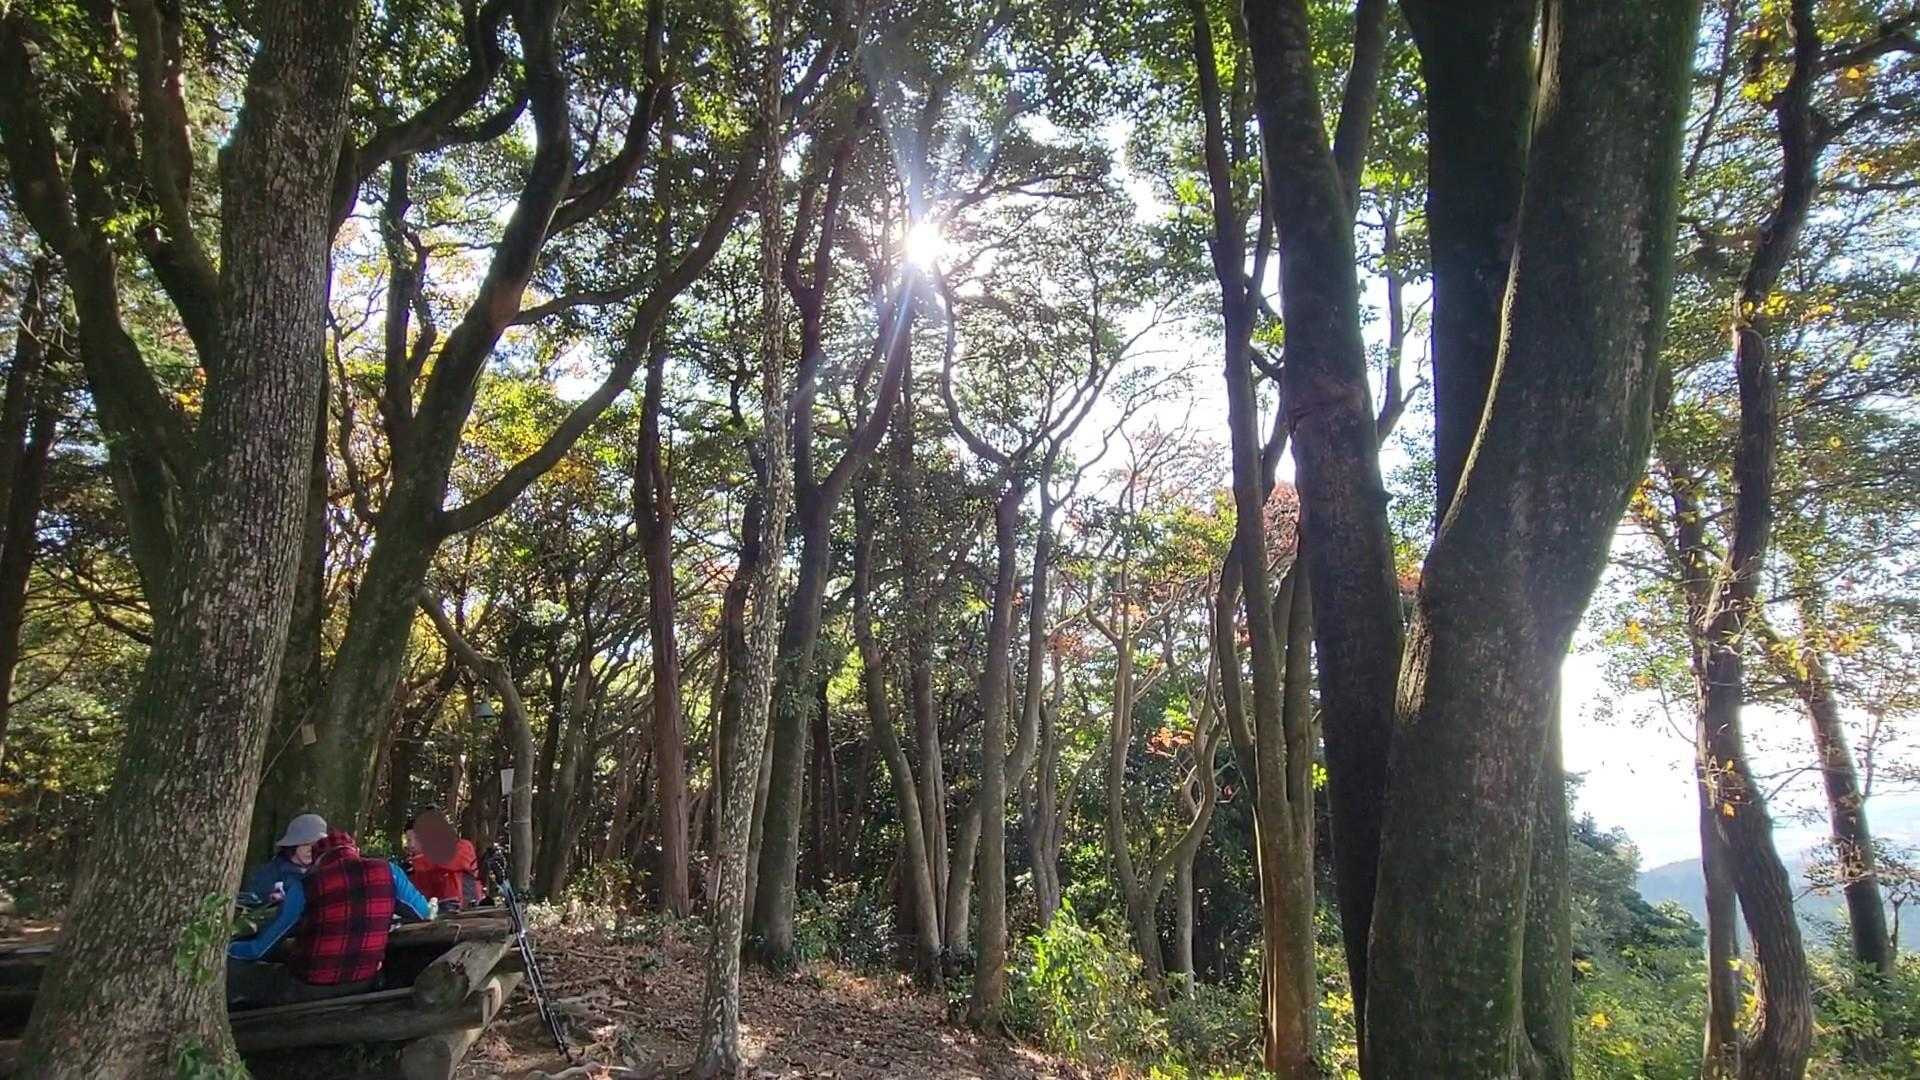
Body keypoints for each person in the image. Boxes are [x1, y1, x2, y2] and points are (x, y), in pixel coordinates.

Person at [227, 828, 432, 1007]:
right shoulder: (387, 871)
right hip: (365, 982)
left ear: (318, 860)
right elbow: (423, 912)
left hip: (309, 987)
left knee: (246, 974)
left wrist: (227, 948)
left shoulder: (307, 884)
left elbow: (263, 947)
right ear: (354, 850)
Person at [239, 812, 327, 903]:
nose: (311, 850)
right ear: (293, 844)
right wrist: (270, 898)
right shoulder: (271, 872)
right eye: (306, 844)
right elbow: (251, 899)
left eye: (316, 845)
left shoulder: (323, 869)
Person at [405, 806, 481, 910]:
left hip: (467, 909)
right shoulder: (417, 866)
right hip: (438, 910)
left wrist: (417, 863)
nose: (412, 845)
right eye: (409, 840)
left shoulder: (463, 847)